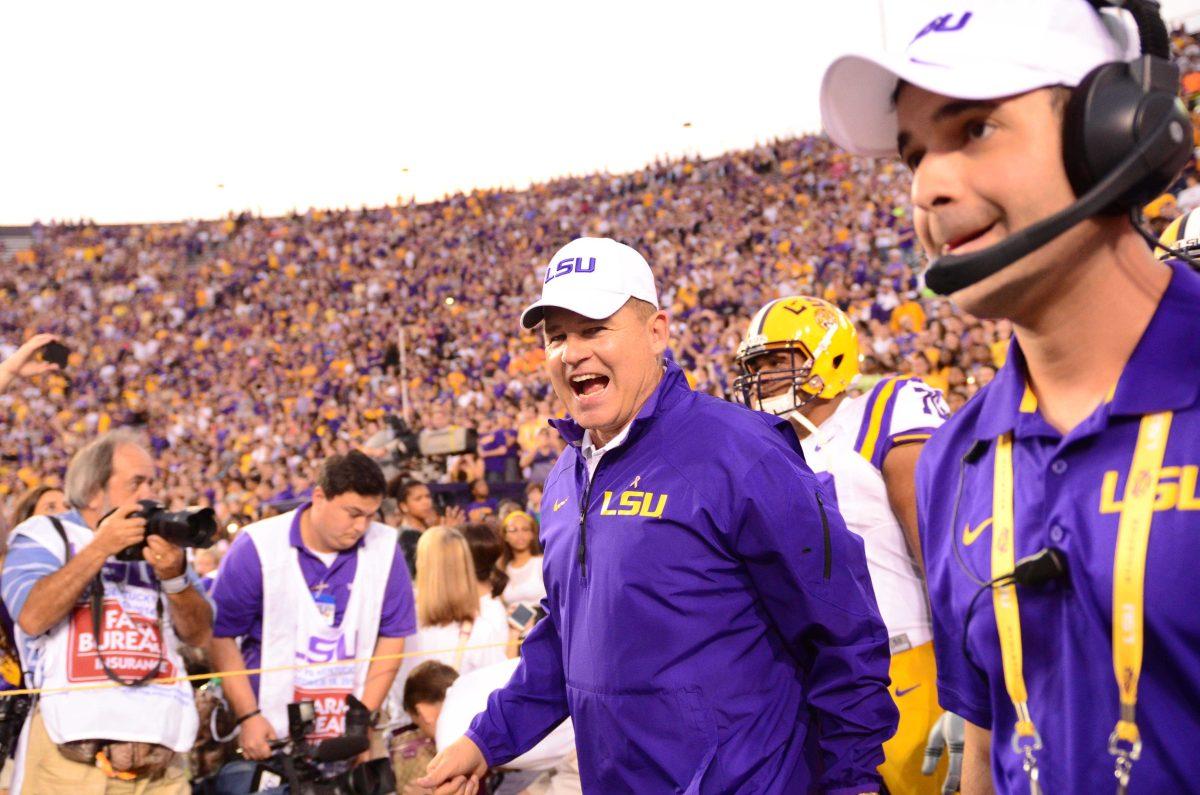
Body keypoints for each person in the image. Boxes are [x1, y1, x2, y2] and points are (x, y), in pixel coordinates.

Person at [820, 0, 1200, 791]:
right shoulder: (953, 458)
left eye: (973, 131)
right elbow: (989, 752)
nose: (927, 186)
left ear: (1114, 128)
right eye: (913, 154)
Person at [420, 237, 895, 793]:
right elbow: (566, 638)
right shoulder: (564, 478)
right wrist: (485, 739)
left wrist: (853, 781)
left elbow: (842, 632)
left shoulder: (741, 451)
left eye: (593, 329)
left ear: (657, 332)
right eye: (556, 337)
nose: (571, 352)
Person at [733, 295, 952, 794]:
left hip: (907, 663)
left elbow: (937, 543)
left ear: (829, 356)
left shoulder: (882, 408)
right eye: (756, 364)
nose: (763, 375)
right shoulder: (766, 449)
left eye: (776, 360)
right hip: (817, 682)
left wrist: (969, 673)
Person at [1, 429, 212, 793]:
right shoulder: (45, 534)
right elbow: (32, 615)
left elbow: (200, 634)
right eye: (136, 482)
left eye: (151, 482)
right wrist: (100, 549)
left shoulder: (161, 545)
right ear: (95, 490)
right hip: (71, 756)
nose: (149, 494)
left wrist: (176, 578)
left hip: (159, 756)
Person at [208, 451, 416, 780]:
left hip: (347, 734)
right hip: (271, 733)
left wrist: (362, 721)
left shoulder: (386, 547)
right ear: (319, 496)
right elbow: (220, 636)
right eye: (352, 513)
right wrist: (248, 715)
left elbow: (393, 636)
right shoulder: (258, 546)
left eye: (371, 515)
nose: (361, 526)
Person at [403, 660, 579, 795]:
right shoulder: (469, 681)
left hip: (583, 750)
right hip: (580, 725)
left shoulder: (448, 734)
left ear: (422, 712)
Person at [498, 511, 545, 616]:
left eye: (525, 529)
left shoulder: (542, 563)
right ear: (505, 536)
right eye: (513, 530)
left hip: (543, 625)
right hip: (514, 628)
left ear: (532, 534)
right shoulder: (502, 570)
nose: (520, 535)